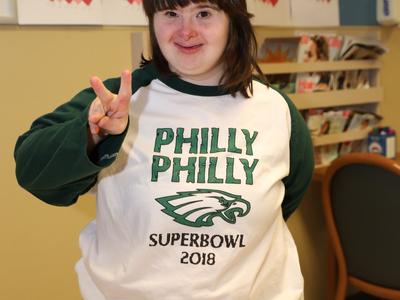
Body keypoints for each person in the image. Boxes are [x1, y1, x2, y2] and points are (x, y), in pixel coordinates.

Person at [14, 0, 314, 299]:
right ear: (153, 21)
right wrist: (96, 135)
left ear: (233, 22)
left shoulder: (275, 109)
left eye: (204, 14)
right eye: (171, 14)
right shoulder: (119, 100)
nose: (186, 30)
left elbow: (284, 200)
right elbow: (33, 172)